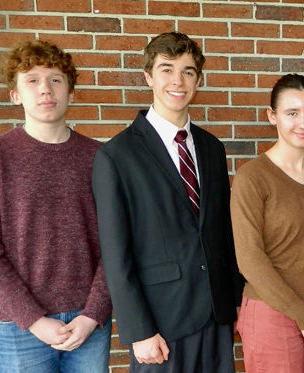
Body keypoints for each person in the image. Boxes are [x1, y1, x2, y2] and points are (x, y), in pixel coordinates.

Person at [92, 32, 243, 372]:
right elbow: (116, 254)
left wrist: (235, 301)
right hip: (161, 323)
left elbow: (222, 232)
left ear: (198, 80)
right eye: (166, 69)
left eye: (188, 71)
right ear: (148, 76)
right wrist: (138, 330)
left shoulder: (211, 148)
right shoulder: (116, 157)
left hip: (216, 316)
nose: (178, 81)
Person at [0, 39, 112, 372]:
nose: (46, 89)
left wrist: (93, 314)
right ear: (16, 95)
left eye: (56, 80)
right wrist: (33, 320)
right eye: (32, 80)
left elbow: (115, 244)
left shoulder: (100, 158)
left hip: (86, 324)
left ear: (71, 93)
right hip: (18, 327)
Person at [230, 74, 304, 373]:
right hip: (273, 311)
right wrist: (301, 316)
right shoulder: (252, 177)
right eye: (292, 113)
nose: (303, 123)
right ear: (272, 116)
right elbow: (249, 259)